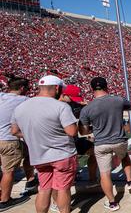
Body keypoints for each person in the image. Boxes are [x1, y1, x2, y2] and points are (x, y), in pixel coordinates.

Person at [11, 75, 78, 213]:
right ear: (57, 88)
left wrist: (35, 134)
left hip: (39, 156)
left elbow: (14, 131)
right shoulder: (61, 106)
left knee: (44, 189)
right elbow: (71, 131)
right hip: (62, 154)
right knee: (63, 189)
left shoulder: (21, 107)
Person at [79, 77, 131, 211]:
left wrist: (96, 128)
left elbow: (84, 130)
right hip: (119, 139)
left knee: (105, 173)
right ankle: (130, 181)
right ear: (106, 87)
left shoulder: (88, 108)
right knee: (124, 158)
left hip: (101, 142)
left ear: (92, 89)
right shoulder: (117, 100)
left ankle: (112, 202)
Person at [0, 76, 31, 210]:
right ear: (23, 88)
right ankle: (5, 200)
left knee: (27, 151)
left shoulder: (1, 96)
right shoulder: (24, 100)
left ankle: (31, 180)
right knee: (9, 171)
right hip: (9, 140)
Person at [59, 85, 98, 188]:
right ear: (63, 95)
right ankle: (90, 178)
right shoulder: (60, 107)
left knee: (94, 150)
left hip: (72, 140)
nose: (73, 101)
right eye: (71, 98)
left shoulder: (70, 103)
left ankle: (92, 179)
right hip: (64, 141)